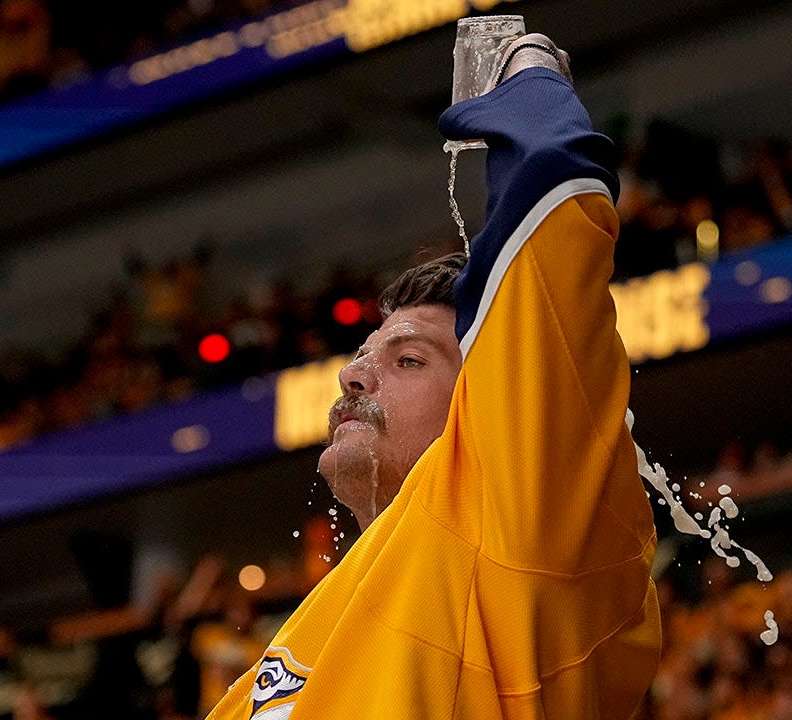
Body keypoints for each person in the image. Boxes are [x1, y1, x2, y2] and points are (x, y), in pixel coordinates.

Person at [207, 32, 660, 719]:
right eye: (362, 355)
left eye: (409, 359)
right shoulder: (288, 648)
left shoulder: (518, 527)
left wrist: (526, 68)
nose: (354, 378)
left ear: (492, 408)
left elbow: (551, 198)